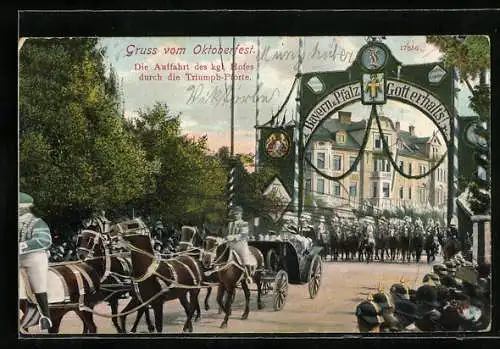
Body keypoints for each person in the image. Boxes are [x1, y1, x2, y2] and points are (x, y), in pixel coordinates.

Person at [18, 192, 53, 331]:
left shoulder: (37, 222)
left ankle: (45, 316)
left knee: (38, 284)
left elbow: (44, 240)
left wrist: (21, 246)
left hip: (33, 257)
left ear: (24, 208)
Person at [225, 206, 254, 284]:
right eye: (235, 214)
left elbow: (244, 234)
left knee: (245, 257)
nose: (236, 215)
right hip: (230, 244)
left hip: (240, 244)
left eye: (237, 214)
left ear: (241, 214)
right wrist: (227, 237)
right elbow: (227, 233)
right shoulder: (230, 224)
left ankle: (248, 275)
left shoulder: (244, 223)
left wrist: (234, 237)